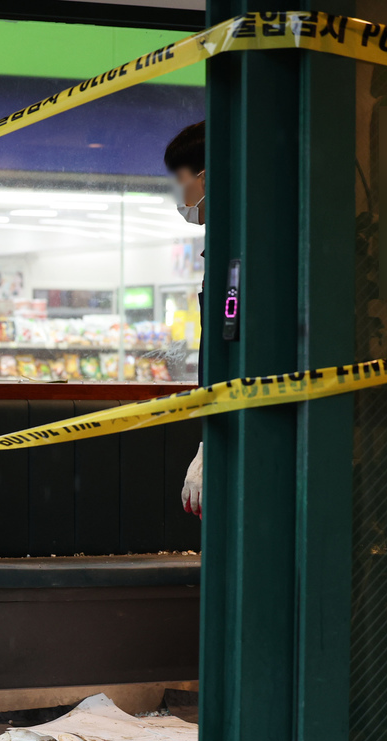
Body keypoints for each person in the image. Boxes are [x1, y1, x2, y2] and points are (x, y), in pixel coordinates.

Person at [164, 121, 206, 519]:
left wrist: (212, 445)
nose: (179, 193)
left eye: (181, 179)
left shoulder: (243, 248)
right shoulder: (223, 243)